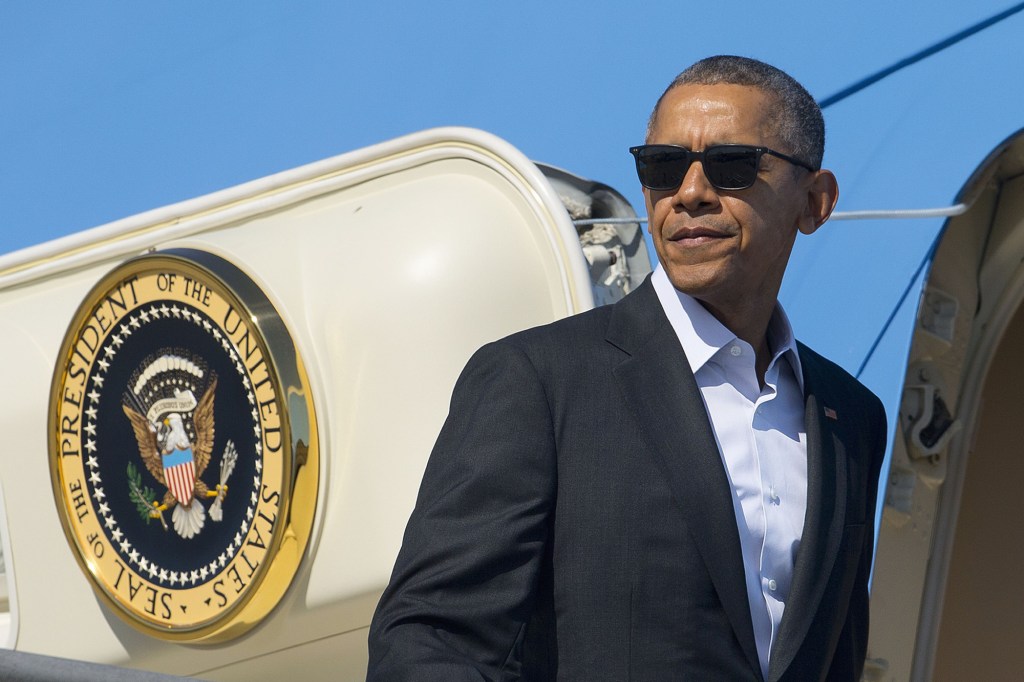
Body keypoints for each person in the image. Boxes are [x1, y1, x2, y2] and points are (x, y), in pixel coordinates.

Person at [367, 55, 887, 681]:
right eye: (663, 167)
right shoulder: (538, 381)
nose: (690, 193)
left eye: (730, 165)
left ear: (816, 201)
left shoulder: (849, 415)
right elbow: (430, 644)